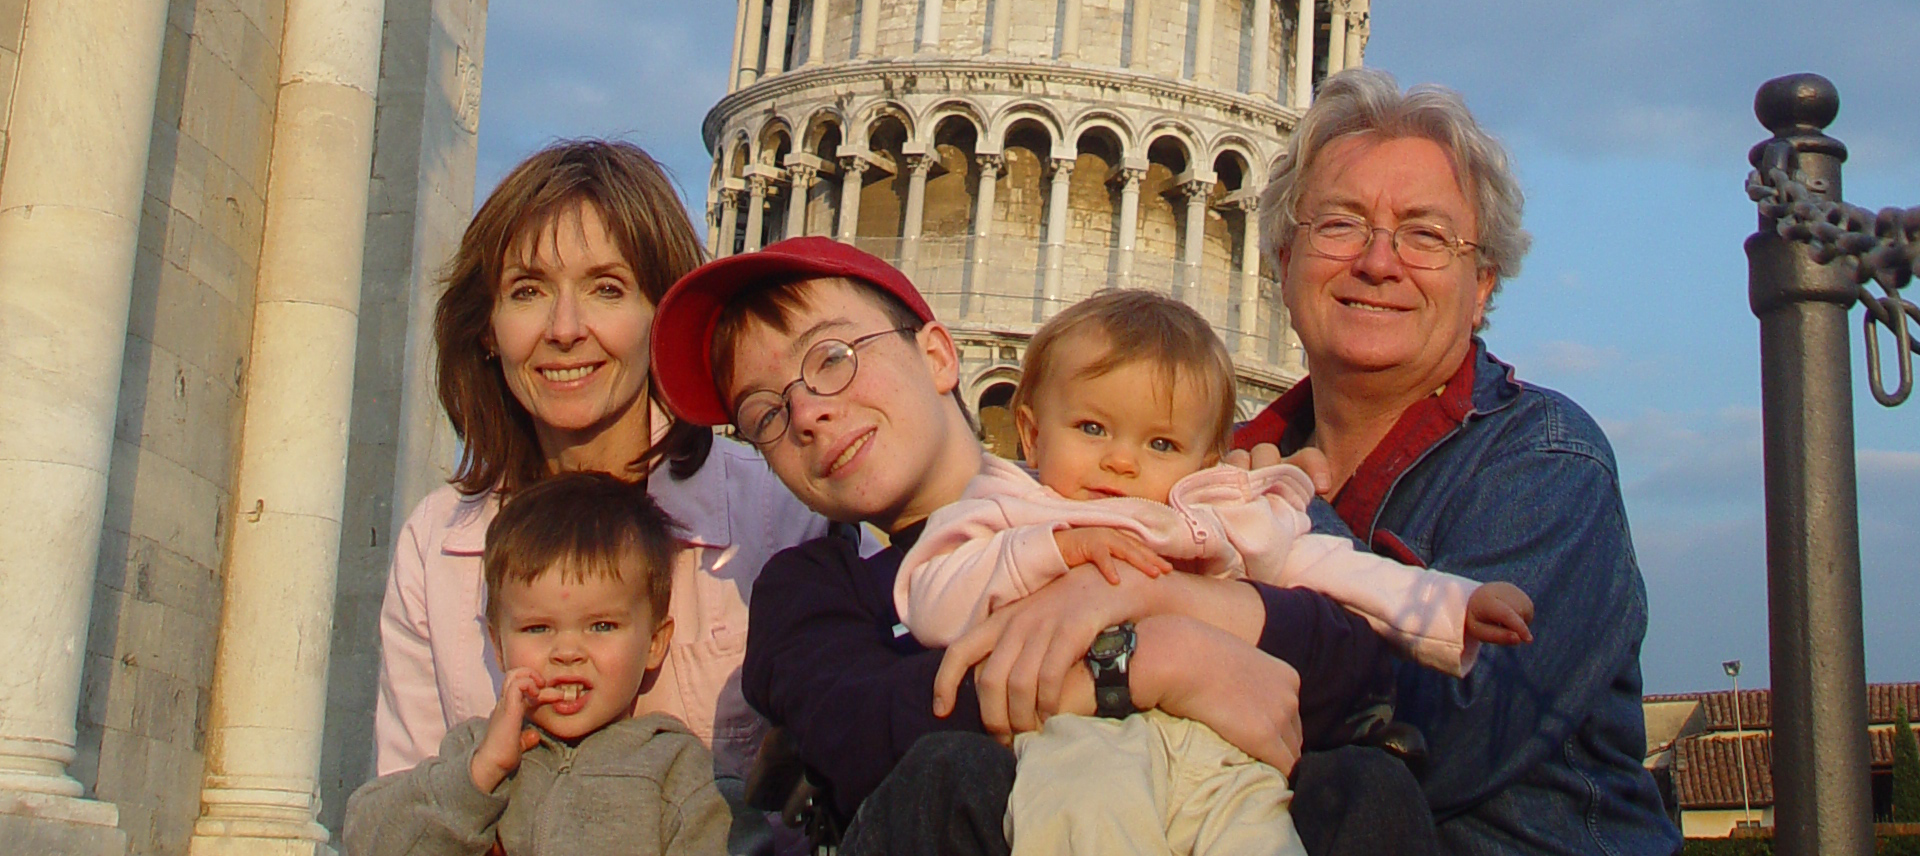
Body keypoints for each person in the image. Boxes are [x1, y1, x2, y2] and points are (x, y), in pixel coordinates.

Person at [651, 238, 1445, 856]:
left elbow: (1360, 667)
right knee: (947, 775)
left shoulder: (1150, 502)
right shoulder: (818, 585)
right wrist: (1150, 662)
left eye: (831, 358)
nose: (808, 415)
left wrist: (1150, 595)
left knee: (1365, 785)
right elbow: (864, 732)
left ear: (936, 355)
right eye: (763, 411)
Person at [898, 290, 1531, 856]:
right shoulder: (1012, 511)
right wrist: (1050, 551)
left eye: (1161, 445)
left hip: (1221, 749)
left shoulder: (1213, 520)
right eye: (1092, 428)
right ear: (1031, 436)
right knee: (1082, 819)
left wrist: (1454, 606)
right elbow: (932, 601)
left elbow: (1335, 569)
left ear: (1206, 460)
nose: (1120, 461)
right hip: (1076, 743)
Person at [1234, 70, 1682, 855]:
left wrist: (1276, 532)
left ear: (1480, 288)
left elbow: (1442, 738)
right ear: (1284, 259)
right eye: (1340, 225)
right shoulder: (1222, 466)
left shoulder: (1546, 462)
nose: (1379, 262)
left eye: (1425, 235)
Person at [373, 141, 819, 800]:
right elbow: (405, 808)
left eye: (606, 289)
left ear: (661, 318)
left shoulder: (778, 517)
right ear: (488, 331)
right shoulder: (437, 545)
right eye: (527, 291)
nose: (564, 329)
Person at [345, 473, 730, 856]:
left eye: (601, 626)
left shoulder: (677, 773)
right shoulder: (475, 751)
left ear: (655, 642)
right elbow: (366, 837)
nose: (567, 651)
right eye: (537, 627)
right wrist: (480, 775)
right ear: (497, 644)